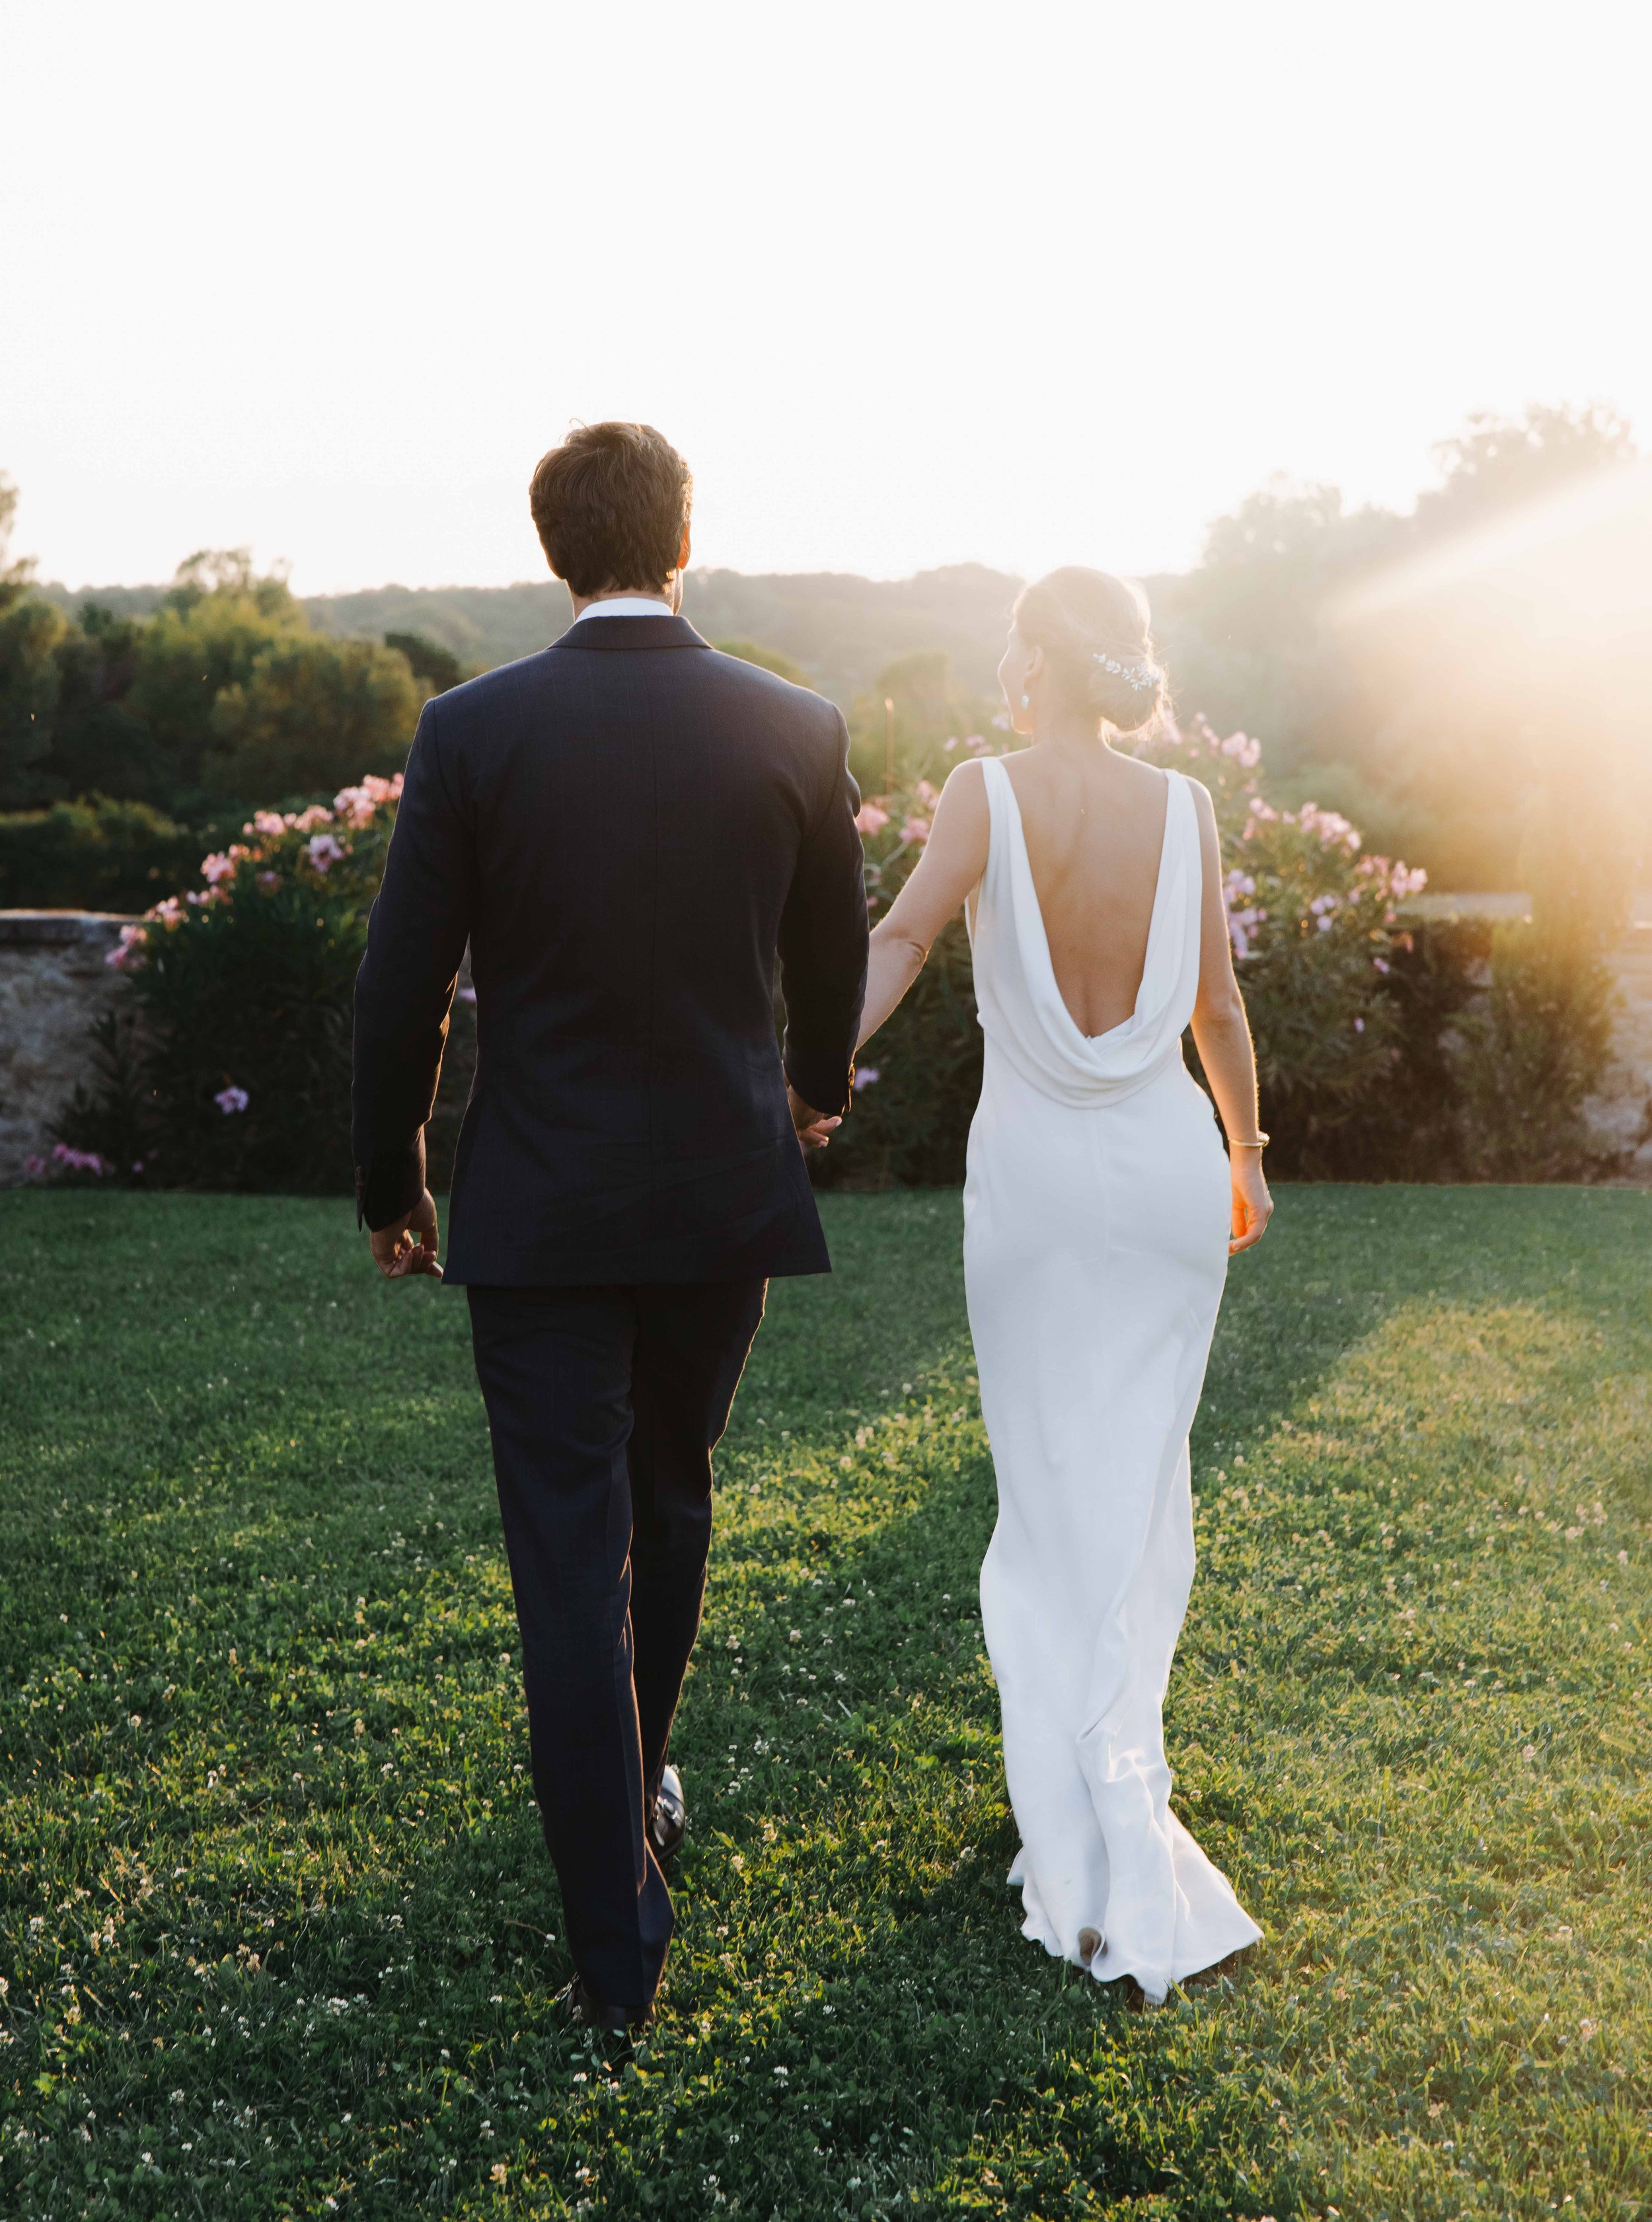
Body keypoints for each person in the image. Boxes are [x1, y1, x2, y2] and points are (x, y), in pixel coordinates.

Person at [350, 422, 868, 2042]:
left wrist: (394, 1179)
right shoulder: (793, 722)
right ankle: (632, 1801)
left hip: (539, 1204)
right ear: (682, 538)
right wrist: (811, 1092)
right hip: (720, 1192)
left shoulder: (472, 729)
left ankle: (614, 1941)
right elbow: (834, 954)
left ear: (551, 550)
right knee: (671, 1492)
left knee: (571, 1551)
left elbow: (402, 983)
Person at [855, 566, 1268, 2004]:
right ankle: (1112, 1770)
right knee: (1139, 1487)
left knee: (1046, 1495)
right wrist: (1246, 1154)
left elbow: (902, 937)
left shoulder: (984, 790)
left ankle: (1077, 1821)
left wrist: (808, 1071)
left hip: (1034, 1180)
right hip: (1167, 1170)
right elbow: (1218, 1005)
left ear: (1036, 657)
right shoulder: (1186, 806)